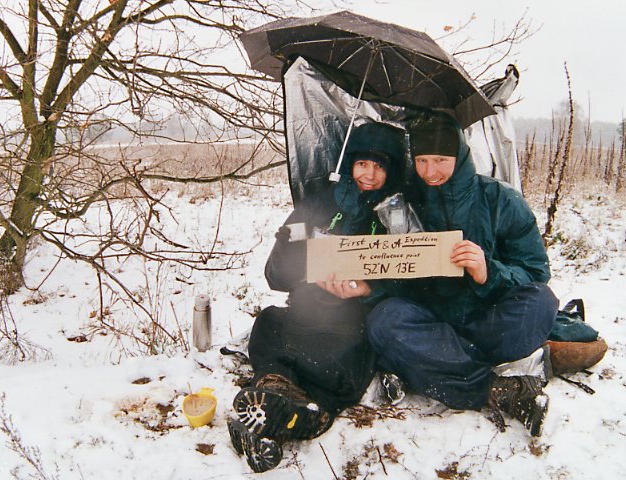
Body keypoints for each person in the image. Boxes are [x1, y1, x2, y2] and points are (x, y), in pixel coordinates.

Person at [365, 112, 559, 437]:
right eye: (423, 160)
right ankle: (499, 389)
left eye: (440, 159)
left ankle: (431, 365)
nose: (430, 171)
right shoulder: (400, 204)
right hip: (432, 319)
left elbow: (536, 272)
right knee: (383, 319)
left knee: (541, 302)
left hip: (487, 319)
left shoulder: (501, 199)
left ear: (461, 155)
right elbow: (386, 274)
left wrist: (489, 272)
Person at [227, 121, 406, 472]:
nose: (369, 174)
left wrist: (370, 288)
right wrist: (290, 247)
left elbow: (406, 280)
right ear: (350, 163)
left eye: (380, 166)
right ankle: (274, 393)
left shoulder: (397, 217)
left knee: (342, 354)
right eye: (363, 164)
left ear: (392, 171)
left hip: (353, 317)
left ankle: (306, 413)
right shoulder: (320, 202)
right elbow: (277, 276)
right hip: (305, 308)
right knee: (269, 324)